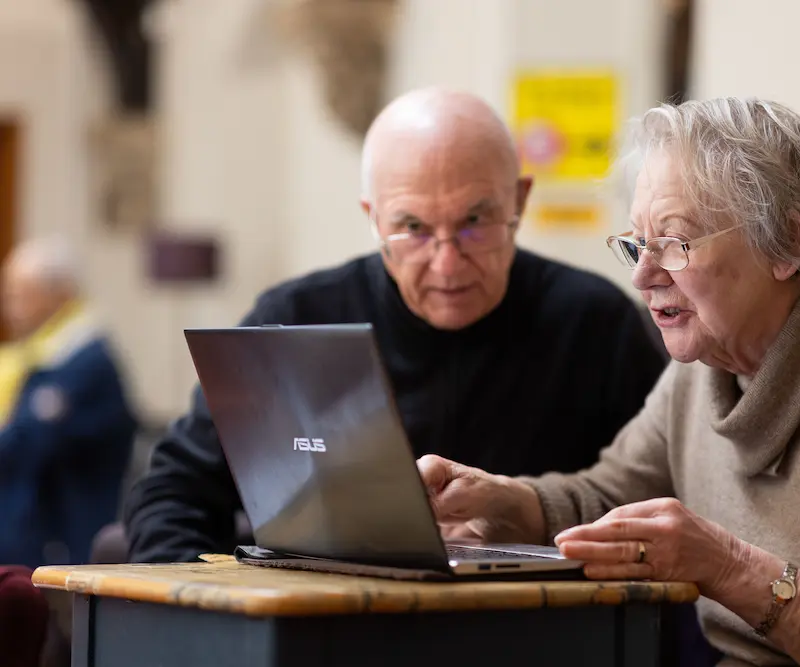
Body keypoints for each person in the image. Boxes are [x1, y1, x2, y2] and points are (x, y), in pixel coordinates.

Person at [416, 97, 800, 666]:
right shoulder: (704, 367)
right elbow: (613, 498)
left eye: (673, 243)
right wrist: (503, 502)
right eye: (638, 244)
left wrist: (730, 569)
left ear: (789, 245)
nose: (644, 275)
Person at [121, 87, 668, 564]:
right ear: (373, 219)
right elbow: (172, 492)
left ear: (519, 202)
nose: (447, 263)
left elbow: (658, 498)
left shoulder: (597, 323)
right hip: (331, 632)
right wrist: (214, 613)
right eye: (413, 228)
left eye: (474, 222)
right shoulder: (294, 319)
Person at [0, 237, 137, 568]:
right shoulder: (29, 356)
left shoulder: (84, 361)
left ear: (60, 295)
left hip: (62, 546)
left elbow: (25, 443)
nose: (10, 307)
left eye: (21, 295)